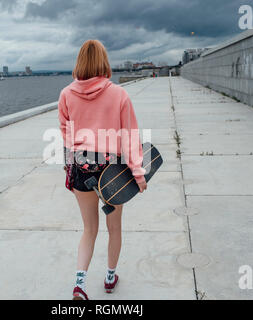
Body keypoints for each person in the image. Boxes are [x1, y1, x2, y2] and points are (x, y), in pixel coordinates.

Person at [58, 39, 147, 300]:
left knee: (89, 230)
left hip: (81, 169)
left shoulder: (66, 95)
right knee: (114, 228)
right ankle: (110, 279)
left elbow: (67, 136)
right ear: (104, 62)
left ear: (80, 62)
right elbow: (130, 138)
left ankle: (80, 285)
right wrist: (139, 174)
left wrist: (70, 165)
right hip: (112, 171)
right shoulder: (119, 94)